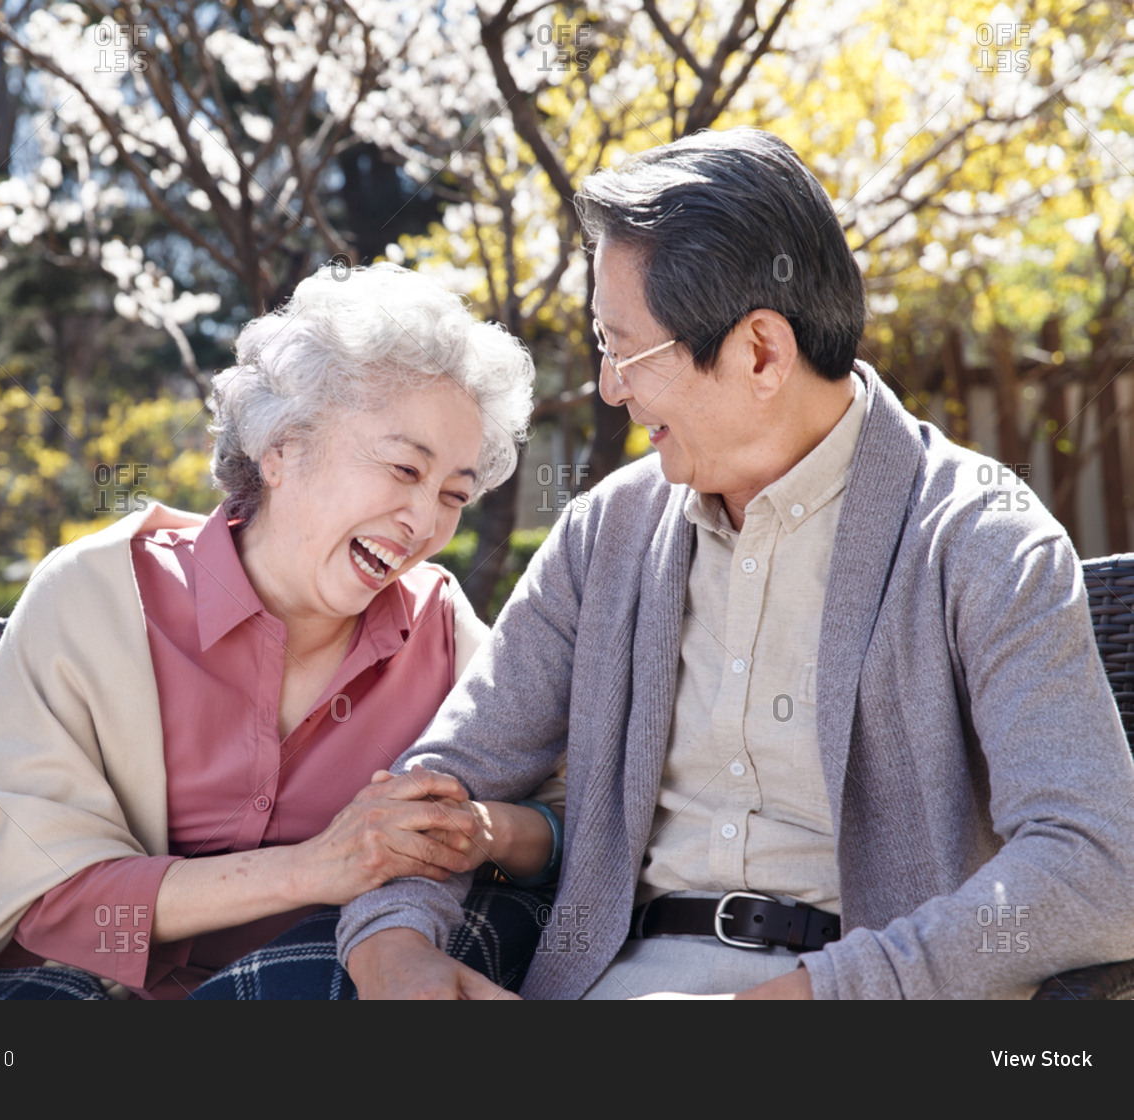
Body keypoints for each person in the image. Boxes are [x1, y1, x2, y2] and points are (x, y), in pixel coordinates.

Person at [338, 127, 1134, 1000]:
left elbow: (1098, 864)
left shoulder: (980, 536)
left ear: (760, 351)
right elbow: (446, 782)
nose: (610, 388)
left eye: (624, 349)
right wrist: (393, 942)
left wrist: (811, 998)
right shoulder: (605, 533)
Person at [0, 262, 560, 999]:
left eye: (454, 494)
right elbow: (49, 900)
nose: (426, 523)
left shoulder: (439, 628)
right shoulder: (94, 596)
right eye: (404, 468)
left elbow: (563, 823)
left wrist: (484, 827)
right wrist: (320, 865)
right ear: (280, 447)